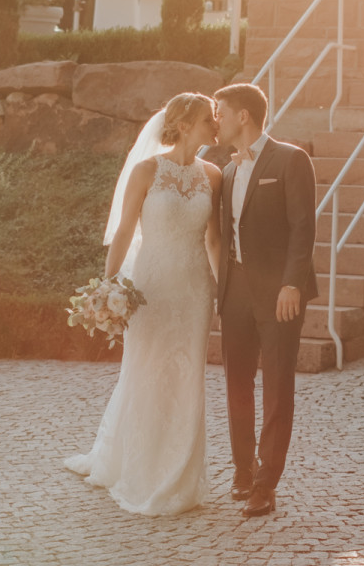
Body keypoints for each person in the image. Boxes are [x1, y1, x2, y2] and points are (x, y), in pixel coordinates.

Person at [64, 92, 223, 515]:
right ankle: (136, 465)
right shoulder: (146, 170)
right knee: (145, 370)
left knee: (188, 376)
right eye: (210, 118)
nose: (217, 125)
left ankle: (179, 474)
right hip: (151, 287)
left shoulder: (214, 175)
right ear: (186, 123)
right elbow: (123, 232)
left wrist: (222, 289)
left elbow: (213, 239)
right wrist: (108, 284)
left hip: (193, 291)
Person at [212, 82, 318, 519]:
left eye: (220, 112)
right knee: (236, 382)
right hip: (234, 289)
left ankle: (265, 484)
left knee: (276, 386)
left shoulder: (292, 159)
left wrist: (292, 283)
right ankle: (242, 469)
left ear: (243, 116)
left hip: (279, 294)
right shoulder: (229, 170)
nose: (215, 120)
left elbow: (303, 226)